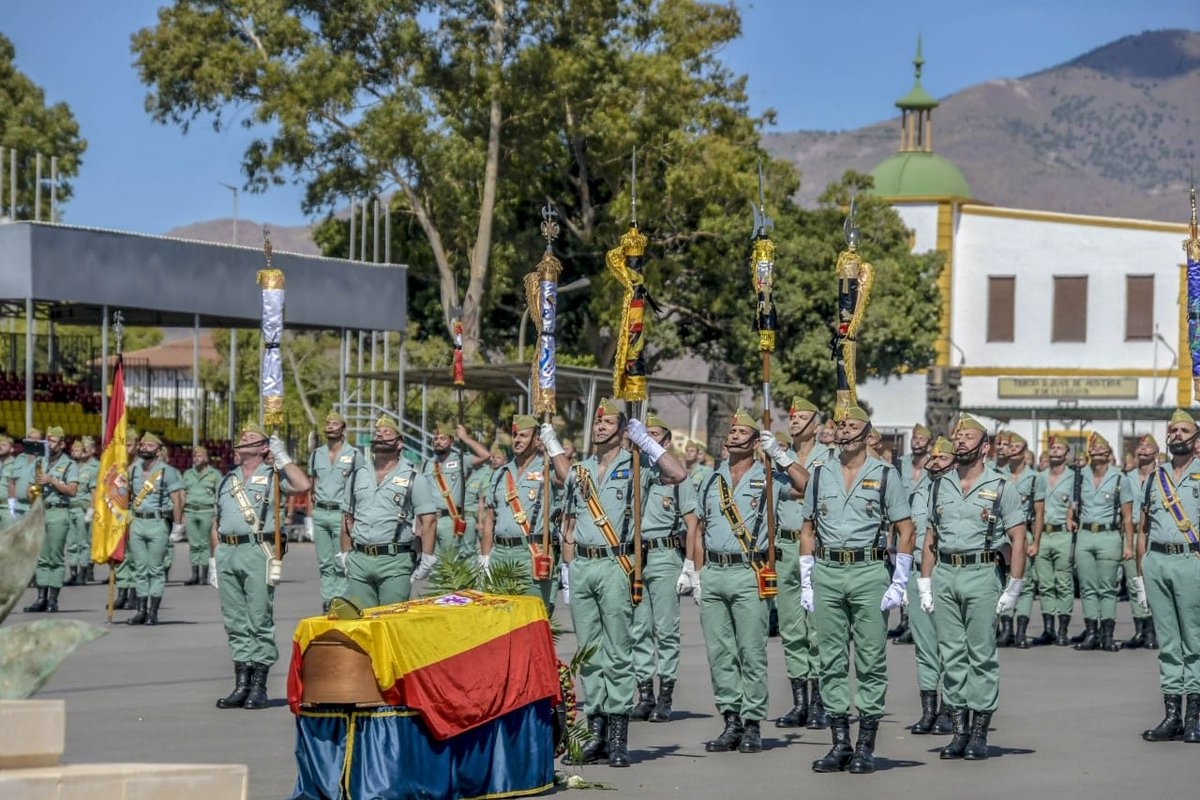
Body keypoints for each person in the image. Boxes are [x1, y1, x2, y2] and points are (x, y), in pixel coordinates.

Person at [560, 399, 685, 768]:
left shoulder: (636, 465)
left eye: (607, 422)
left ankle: (617, 737)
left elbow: (677, 474)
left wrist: (647, 443)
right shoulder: (581, 469)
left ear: (621, 429)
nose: (599, 427)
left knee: (618, 651)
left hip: (616, 563)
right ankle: (595, 733)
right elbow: (568, 524)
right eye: (597, 422)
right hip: (583, 564)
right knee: (589, 653)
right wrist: (568, 570)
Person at [799, 406, 913, 774]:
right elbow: (807, 528)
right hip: (828, 570)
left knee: (869, 660)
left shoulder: (884, 475)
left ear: (867, 436)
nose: (844, 431)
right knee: (829, 659)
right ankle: (839, 743)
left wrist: (900, 580)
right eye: (841, 426)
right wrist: (806, 577)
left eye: (852, 427)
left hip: (868, 571)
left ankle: (866, 744)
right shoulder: (820, 474)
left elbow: (905, 528)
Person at [694, 408, 806, 754]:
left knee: (751, 651)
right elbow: (698, 527)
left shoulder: (770, 476)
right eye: (732, 430)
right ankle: (731, 720)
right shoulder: (712, 479)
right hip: (714, 572)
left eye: (743, 432)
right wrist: (697, 573)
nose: (734, 435)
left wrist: (781, 455)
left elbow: (807, 487)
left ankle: (753, 722)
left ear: (756, 441)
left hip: (749, 571)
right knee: (719, 652)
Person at [917, 414, 1027, 761]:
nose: (960, 441)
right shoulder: (938, 484)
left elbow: (1019, 539)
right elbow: (930, 539)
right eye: (957, 436)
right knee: (951, 653)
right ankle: (959, 730)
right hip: (946, 572)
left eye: (968, 437)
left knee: (980, 654)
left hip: (981, 572)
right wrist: (924, 582)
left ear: (984, 447)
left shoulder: (1002, 486)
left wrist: (1015, 586)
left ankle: (979, 733)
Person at [211, 425, 310, 710]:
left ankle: (259, 685)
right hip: (228, 551)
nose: (242, 441)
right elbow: (217, 520)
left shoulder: (274, 477)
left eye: (250, 439)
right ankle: (241, 683)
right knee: (234, 620)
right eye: (241, 439)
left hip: (257, 550)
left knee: (258, 618)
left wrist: (282, 456)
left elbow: (303, 485)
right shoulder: (227, 479)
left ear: (264, 447)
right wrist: (214, 558)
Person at [1136, 409, 1200, 743]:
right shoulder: (1154, 478)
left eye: (1183, 429)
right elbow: (1143, 528)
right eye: (1172, 429)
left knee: (1195, 640)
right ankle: (1172, 715)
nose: (1176, 434)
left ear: (1197, 440)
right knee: (1168, 643)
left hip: (1191, 561)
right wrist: (1140, 574)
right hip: (1157, 561)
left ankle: (1195, 716)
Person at [630, 414, 699, 723]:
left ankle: (666, 695)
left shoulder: (673, 474)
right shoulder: (635, 469)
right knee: (639, 628)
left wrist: (690, 564)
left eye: (654, 434)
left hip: (663, 555)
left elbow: (691, 522)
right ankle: (645, 693)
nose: (648, 438)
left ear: (666, 441)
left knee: (665, 629)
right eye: (645, 434)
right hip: (634, 557)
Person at [773, 397, 832, 731]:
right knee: (792, 628)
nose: (794, 422)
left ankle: (821, 702)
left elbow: (814, 488)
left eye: (802, 418)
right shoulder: (780, 458)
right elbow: (772, 495)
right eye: (792, 418)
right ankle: (800, 701)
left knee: (818, 629)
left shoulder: (830, 457)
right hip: (784, 543)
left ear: (817, 424)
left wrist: (794, 483)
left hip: (816, 546)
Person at [340, 415, 438, 607]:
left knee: (390, 622)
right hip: (359, 559)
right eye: (377, 433)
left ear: (399, 443)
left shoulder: (413, 478)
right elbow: (346, 518)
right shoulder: (358, 475)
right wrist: (344, 553)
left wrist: (427, 556)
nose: (380, 436)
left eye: (387, 433)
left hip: (394, 561)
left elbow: (429, 521)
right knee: (361, 625)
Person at [480, 416, 568, 612]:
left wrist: (552, 446)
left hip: (531, 554)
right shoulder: (502, 472)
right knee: (498, 621)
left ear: (537, 439)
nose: (517, 440)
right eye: (515, 435)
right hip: (500, 553)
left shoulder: (548, 468)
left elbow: (567, 478)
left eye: (524, 435)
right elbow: (490, 518)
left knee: (531, 620)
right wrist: (485, 556)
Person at [906, 437, 955, 735]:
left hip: (946, 572)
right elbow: (908, 530)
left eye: (942, 458)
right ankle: (928, 710)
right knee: (924, 646)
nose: (935, 462)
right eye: (932, 458)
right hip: (916, 572)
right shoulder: (920, 488)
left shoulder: (958, 489)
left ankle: (950, 708)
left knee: (949, 644)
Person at [1070, 433, 1134, 652]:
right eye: (1093, 448)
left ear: (1108, 453)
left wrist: (1128, 545)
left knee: (1107, 588)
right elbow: (1074, 503)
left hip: (1109, 535)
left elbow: (1127, 515)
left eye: (1100, 448)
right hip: (1085, 534)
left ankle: (1107, 635)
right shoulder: (1079, 476)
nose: (1095, 450)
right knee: (1087, 587)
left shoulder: (1119, 478)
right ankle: (1091, 633)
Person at [125, 432, 184, 625]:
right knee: (140, 568)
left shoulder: (167, 471)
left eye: (149, 445)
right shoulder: (133, 470)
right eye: (142, 445)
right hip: (137, 521)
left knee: (155, 569)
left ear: (158, 450)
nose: (144, 448)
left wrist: (177, 526)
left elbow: (177, 500)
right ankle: (140, 610)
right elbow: (127, 497)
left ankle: (153, 611)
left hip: (158, 522)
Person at [306, 411, 363, 610]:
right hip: (321, 513)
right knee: (325, 563)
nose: (330, 426)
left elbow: (361, 487)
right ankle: (328, 602)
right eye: (328, 423)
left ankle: (340, 601)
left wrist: (355, 518)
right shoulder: (316, 455)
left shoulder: (354, 455)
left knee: (341, 561)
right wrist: (308, 518)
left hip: (342, 513)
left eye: (334, 423)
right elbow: (311, 487)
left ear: (343, 428)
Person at [22, 426, 79, 613]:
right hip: (40, 511)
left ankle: (53, 600)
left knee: (55, 557)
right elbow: (29, 487)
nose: (50, 445)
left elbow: (72, 490)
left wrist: (52, 480)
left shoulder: (70, 465)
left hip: (58, 512)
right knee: (40, 557)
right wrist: (31, 491)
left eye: (53, 441)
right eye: (48, 441)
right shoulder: (40, 461)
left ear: (62, 444)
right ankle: (41, 598)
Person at [996, 431, 1044, 648]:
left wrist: (1036, 543)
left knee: (1023, 583)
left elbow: (1039, 512)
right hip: (1000, 533)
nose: (1012, 451)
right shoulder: (997, 473)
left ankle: (1022, 631)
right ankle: (1006, 629)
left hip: (1023, 533)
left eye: (1017, 448)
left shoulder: (1035, 478)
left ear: (1025, 452)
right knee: (1003, 582)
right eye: (1010, 447)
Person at [1033, 436, 1077, 645]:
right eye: (1052, 447)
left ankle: (1062, 629)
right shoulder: (1038, 476)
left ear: (1067, 454)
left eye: (1060, 447)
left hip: (1062, 534)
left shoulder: (1074, 478)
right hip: (1042, 535)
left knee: (1064, 583)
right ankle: (1048, 628)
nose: (1055, 450)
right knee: (1045, 584)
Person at [422, 420, 489, 557]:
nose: (438, 442)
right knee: (435, 567)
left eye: (443, 438)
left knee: (453, 564)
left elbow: (485, 455)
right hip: (431, 520)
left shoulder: (460, 460)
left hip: (451, 519)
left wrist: (465, 439)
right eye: (435, 439)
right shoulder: (427, 465)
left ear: (451, 441)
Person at [1120, 435, 1158, 649]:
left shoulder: (1162, 475)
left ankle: (1152, 630)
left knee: (1153, 584)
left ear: (1157, 452)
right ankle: (1139, 630)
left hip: (1155, 534)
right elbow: (1125, 515)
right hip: (1133, 533)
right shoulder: (1127, 478)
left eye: (1148, 447)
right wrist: (1127, 544)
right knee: (1135, 584)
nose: (1143, 450)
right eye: (1140, 447)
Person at [182, 445, 221, 587]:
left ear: (206, 458)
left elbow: (219, 495)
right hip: (190, 511)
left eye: (198, 455)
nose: (195, 458)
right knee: (193, 544)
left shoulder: (214, 474)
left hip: (207, 511)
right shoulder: (187, 474)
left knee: (204, 543)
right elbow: (183, 494)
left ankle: (204, 575)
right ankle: (194, 574)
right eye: (194, 456)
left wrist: (217, 515)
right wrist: (182, 514)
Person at [64, 438, 98, 586]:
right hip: (69, 508)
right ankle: (72, 572)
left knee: (84, 543)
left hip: (82, 509)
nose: (74, 452)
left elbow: (94, 492)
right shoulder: (67, 468)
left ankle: (83, 573)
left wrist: (91, 509)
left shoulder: (90, 470)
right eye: (72, 450)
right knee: (71, 543)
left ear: (84, 452)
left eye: (77, 450)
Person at [7, 427, 44, 522]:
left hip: (34, 507)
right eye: (31, 438)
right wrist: (11, 503)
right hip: (18, 506)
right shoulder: (19, 458)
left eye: (37, 439)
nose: (34, 441)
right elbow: (12, 482)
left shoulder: (44, 459)